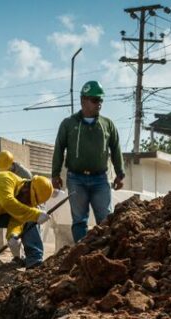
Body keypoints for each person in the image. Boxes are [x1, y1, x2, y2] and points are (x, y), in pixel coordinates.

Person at [51, 80, 125, 243]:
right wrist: (55, 174)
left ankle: (105, 252)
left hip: (100, 179)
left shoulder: (107, 124)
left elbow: (116, 149)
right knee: (79, 220)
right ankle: (81, 252)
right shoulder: (69, 124)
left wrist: (120, 173)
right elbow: (59, 148)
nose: (99, 104)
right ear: (83, 100)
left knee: (106, 218)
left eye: (101, 100)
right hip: (76, 179)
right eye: (95, 100)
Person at [0, 150, 34, 263]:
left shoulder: (25, 175)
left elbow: (30, 195)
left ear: (12, 164)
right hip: (14, 204)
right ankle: (17, 257)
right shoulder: (4, 174)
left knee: (28, 230)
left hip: (27, 204)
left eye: (8, 170)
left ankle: (32, 257)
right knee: (13, 235)